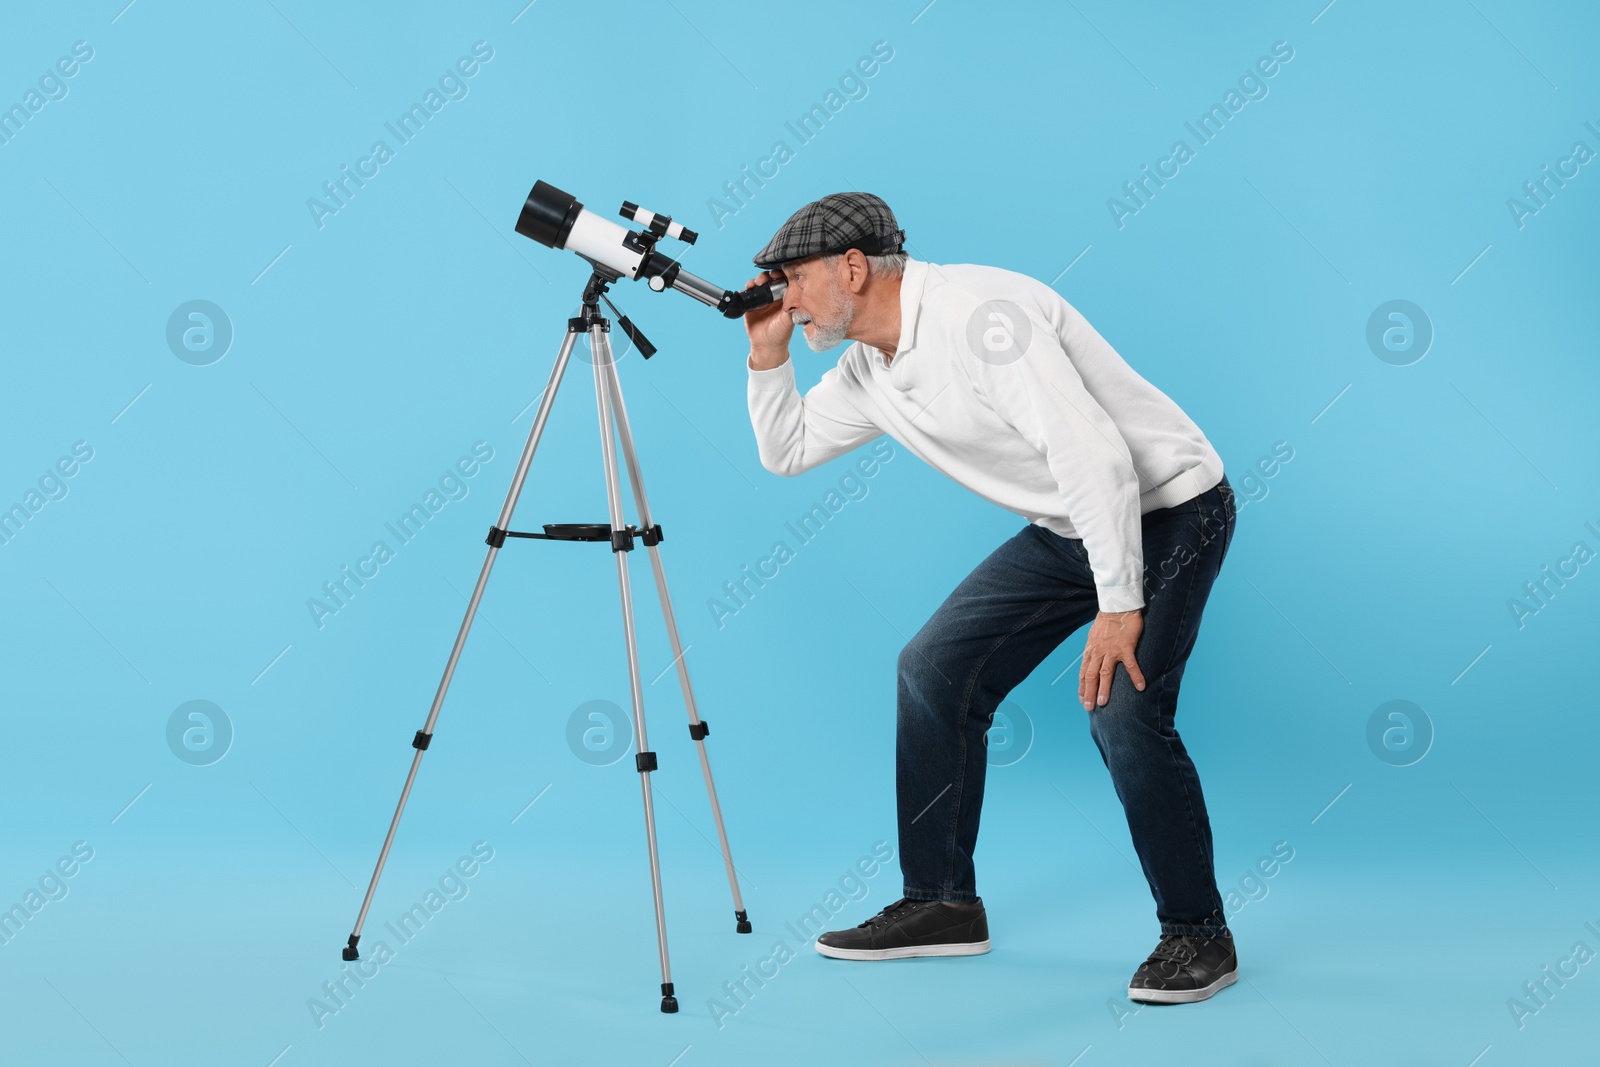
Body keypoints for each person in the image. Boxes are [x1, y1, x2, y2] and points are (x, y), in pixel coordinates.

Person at [739, 192, 1240, 1004]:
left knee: (1123, 711)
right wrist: (768, 356)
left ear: (854, 267)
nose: (783, 298)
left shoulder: (982, 319)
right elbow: (788, 449)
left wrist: (1120, 606)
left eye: (792, 279)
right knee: (931, 668)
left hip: (1170, 509)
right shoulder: (869, 366)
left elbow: (1098, 457)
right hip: (1070, 523)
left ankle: (1198, 933)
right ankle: (940, 901)